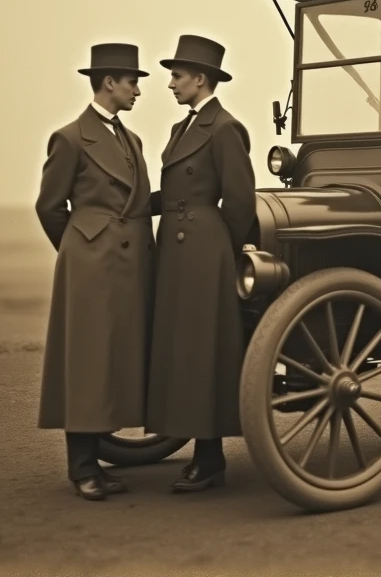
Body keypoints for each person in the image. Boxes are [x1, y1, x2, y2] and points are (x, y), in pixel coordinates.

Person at [34, 43, 156, 501]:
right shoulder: (69, 138)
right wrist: (81, 249)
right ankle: (82, 467)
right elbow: (49, 207)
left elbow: (137, 202)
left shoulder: (132, 139)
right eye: (132, 82)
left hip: (127, 267)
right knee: (87, 363)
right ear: (109, 83)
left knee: (111, 362)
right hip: (92, 268)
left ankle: (98, 464)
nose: (138, 91)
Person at [145, 34, 257, 493]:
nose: (169, 84)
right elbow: (171, 194)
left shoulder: (225, 127)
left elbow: (241, 202)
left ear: (200, 79)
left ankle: (210, 458)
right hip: (174, 248)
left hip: (205, 249)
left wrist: (221, 255)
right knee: (180, 348)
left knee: (202, 351)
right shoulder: (180, 129)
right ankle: (189, 440)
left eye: (176, 76)